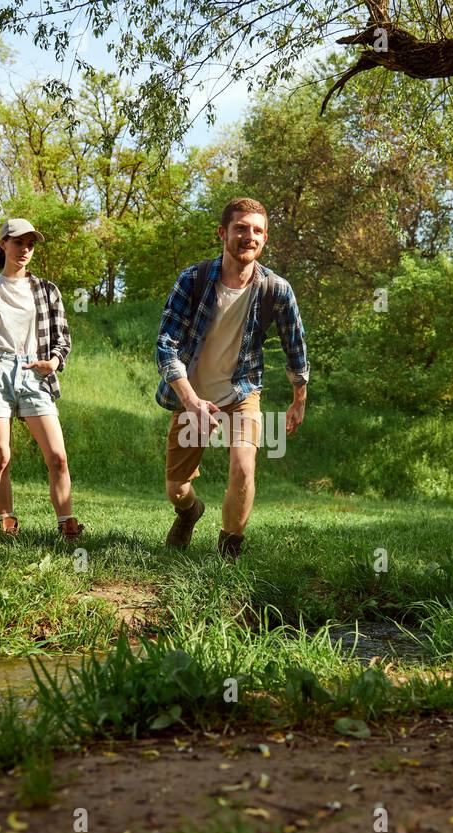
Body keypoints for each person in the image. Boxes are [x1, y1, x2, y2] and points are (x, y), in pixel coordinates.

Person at [155, 197, 309, 561]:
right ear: (223, 232)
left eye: (257, 230)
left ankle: (229, 550)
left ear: (265, 238)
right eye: (241, 228)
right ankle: (190, 512)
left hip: (242, 391)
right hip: (192, 393)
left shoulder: (276, 289)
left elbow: (296, 348)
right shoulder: (192, 280)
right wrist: (192, 402)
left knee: (243, 465)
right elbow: (165, 346)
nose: (248, 236)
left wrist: (298, 399)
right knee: (177, 487)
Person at [0, 218, 80, 540]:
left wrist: (54, 361)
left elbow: (62, 339)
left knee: (57, 456)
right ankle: (7, 524)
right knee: (1, 456)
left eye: (30, 244)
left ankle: (67, 523)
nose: (25, 250)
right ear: (3, 244)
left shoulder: (47, 290)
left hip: (34, 373)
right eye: (18, 243)